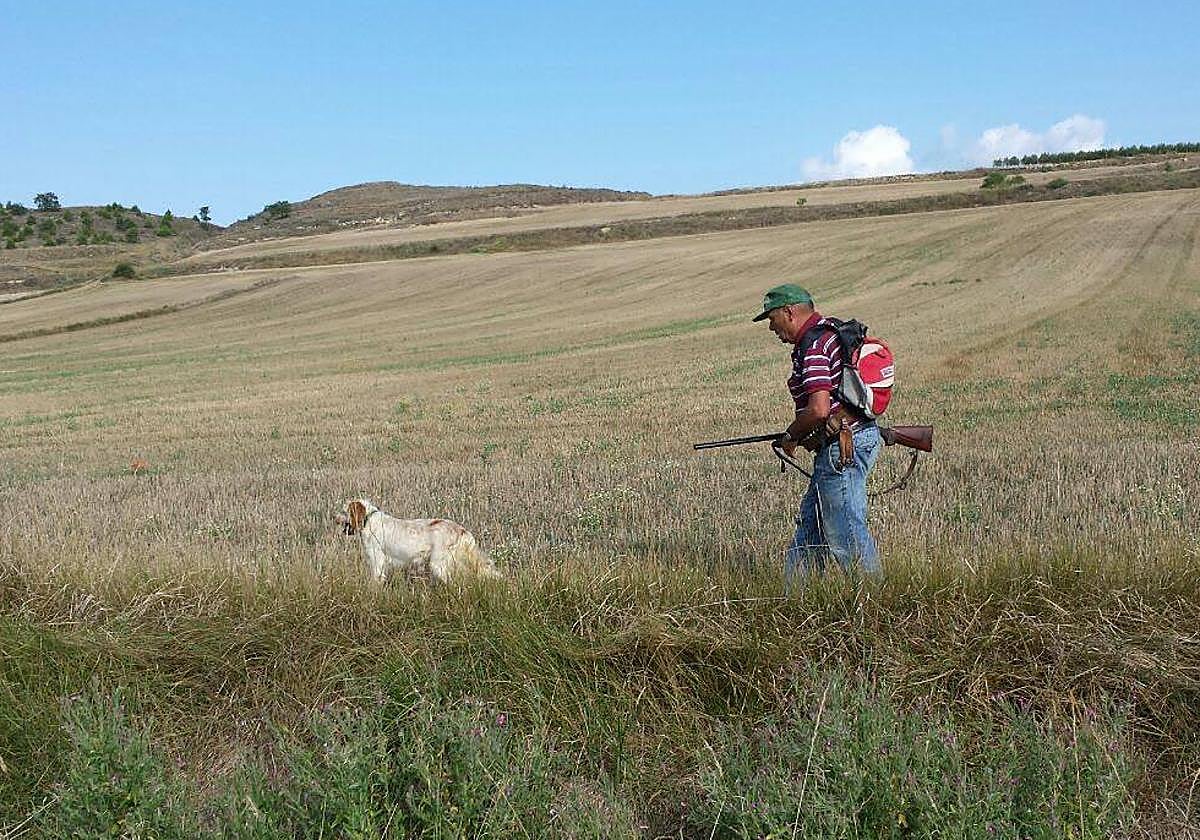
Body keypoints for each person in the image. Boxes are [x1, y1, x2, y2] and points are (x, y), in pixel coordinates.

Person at [752, 283, 882, 579]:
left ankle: (874, 606)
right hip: (843, 443)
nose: (772, 328)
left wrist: (791, 436)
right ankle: (795, 601)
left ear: (789, 312)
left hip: (842, 449)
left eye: (772, 319)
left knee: (846, 534)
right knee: (810, 529)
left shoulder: (813, 346)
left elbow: (819, 409)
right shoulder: (827, 335)